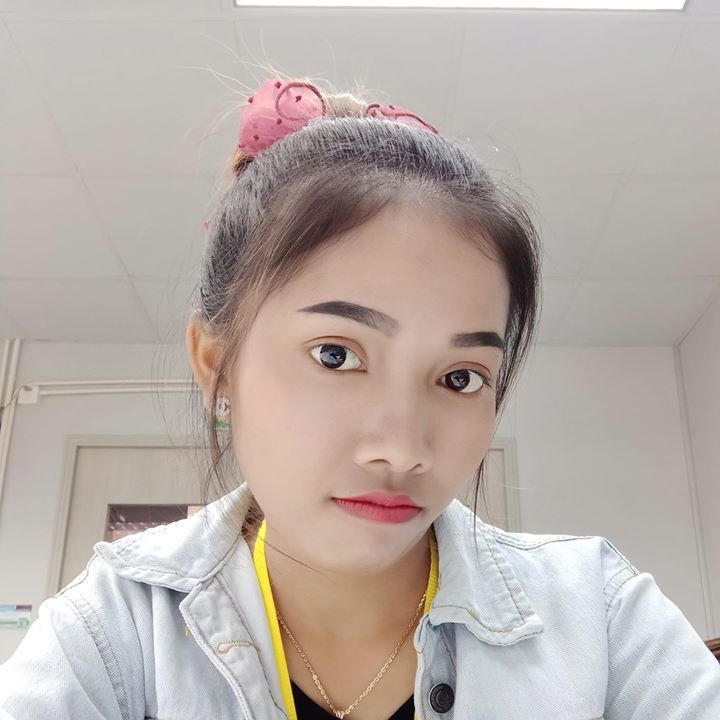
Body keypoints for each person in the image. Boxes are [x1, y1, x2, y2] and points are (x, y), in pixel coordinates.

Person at [2, 73, 720, 720]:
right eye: (337, 355)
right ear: (217, 364)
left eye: (461, 377)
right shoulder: (114, 633)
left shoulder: (601, 619)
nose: (403, 449)